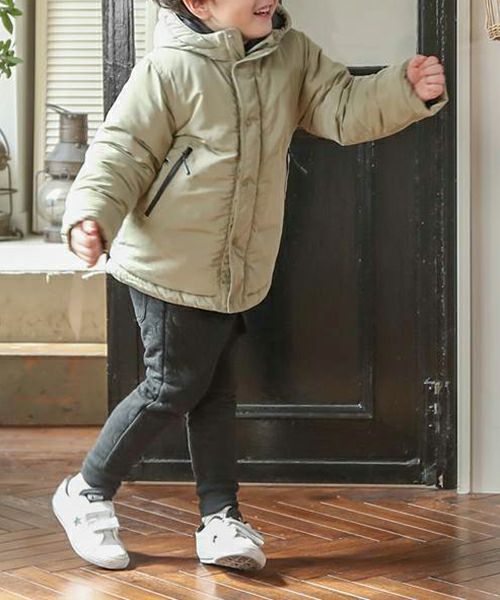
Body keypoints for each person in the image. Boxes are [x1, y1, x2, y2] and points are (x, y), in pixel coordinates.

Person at [52, 0, 448, 572]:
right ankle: (87, 489)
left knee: (213, 393)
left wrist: (403, 90)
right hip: (169, 261)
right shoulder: (169, 69)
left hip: (232, 266)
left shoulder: (290, 55)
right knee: (171, 386)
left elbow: (341, 105)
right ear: (199, 3)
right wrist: (91, 215)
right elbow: (122, 150)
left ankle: (220, 517)